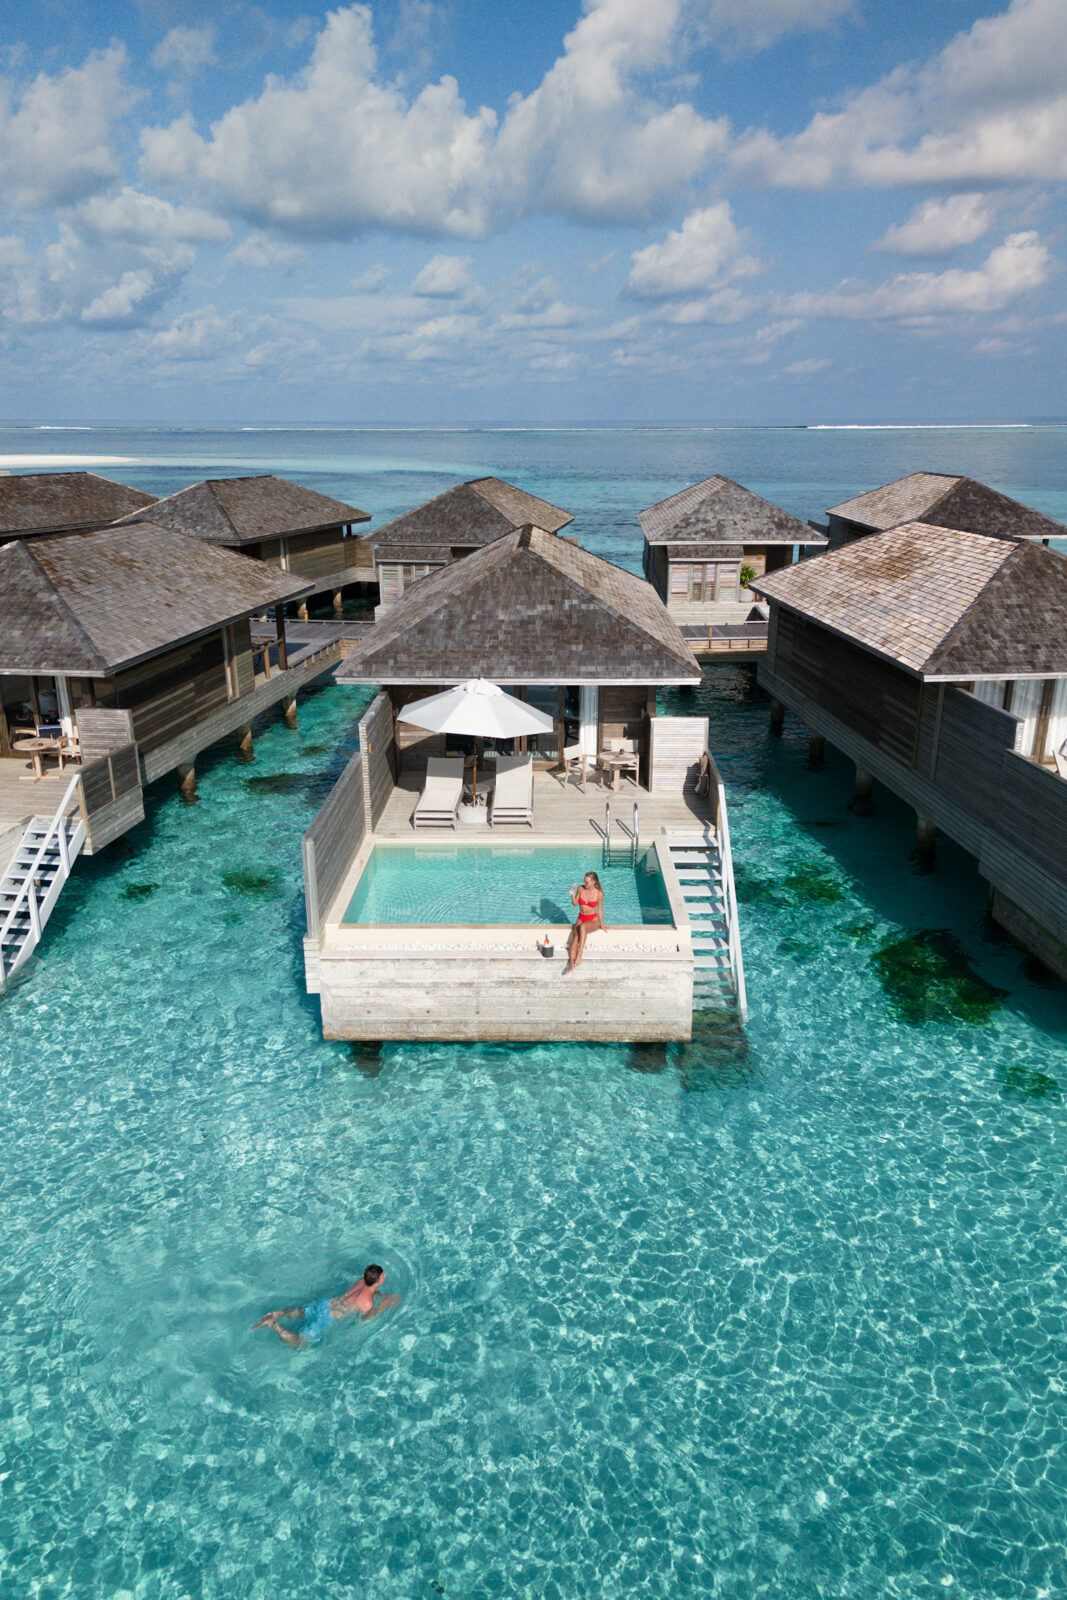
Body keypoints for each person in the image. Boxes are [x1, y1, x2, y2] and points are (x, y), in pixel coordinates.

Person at [252, 1264, 400, 1349]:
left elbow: (366, 1292)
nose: (385, 1276)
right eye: (383, 1276)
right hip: (327, 1318)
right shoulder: (367, 1302)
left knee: (302, 1313)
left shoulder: (363, 1281)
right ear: (377, 1281)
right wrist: (382, 1307)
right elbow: (364, 1318)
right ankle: (273, 1324)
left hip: (326, 1304)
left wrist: (381, 1296)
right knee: (300, 1344)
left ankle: (280, 1313)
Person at [564, 870, 604, 974]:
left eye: (587, 882)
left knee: (583, 927)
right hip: (581, 917)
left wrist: (602, 925)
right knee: (575, 936)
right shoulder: (580, 888)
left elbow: (600, 910)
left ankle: (579, 955)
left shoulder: (599, 894)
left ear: (594, 881)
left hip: (593, 920)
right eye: (584, 881)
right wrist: (573, 895)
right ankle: (572, 963)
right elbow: (575, 904)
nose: (585, 883)